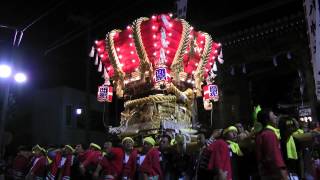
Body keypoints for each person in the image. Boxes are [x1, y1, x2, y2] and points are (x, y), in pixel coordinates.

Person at [255, 109, 288, 180]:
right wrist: (283, 174)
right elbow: (274, 157)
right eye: (273, 115)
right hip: (275, 175)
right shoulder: (269, 134)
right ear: (267, 120)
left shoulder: (260, 134)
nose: (276, 117)